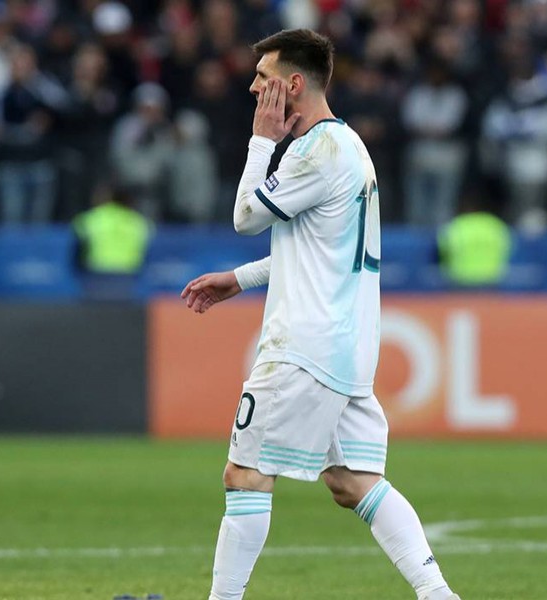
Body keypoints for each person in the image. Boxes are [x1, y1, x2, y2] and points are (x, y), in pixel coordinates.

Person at [180, 29, 459, 600]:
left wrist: (261, 141)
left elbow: (244, 217)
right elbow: (310, 248)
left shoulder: (315, 151)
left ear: (294, 84)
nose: (255, 86)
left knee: (245, 475)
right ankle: (439, 596)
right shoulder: (349, 147)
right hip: (347, 346)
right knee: (353, 481)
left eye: (263, 76)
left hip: (302, 347)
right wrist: (240, 278)